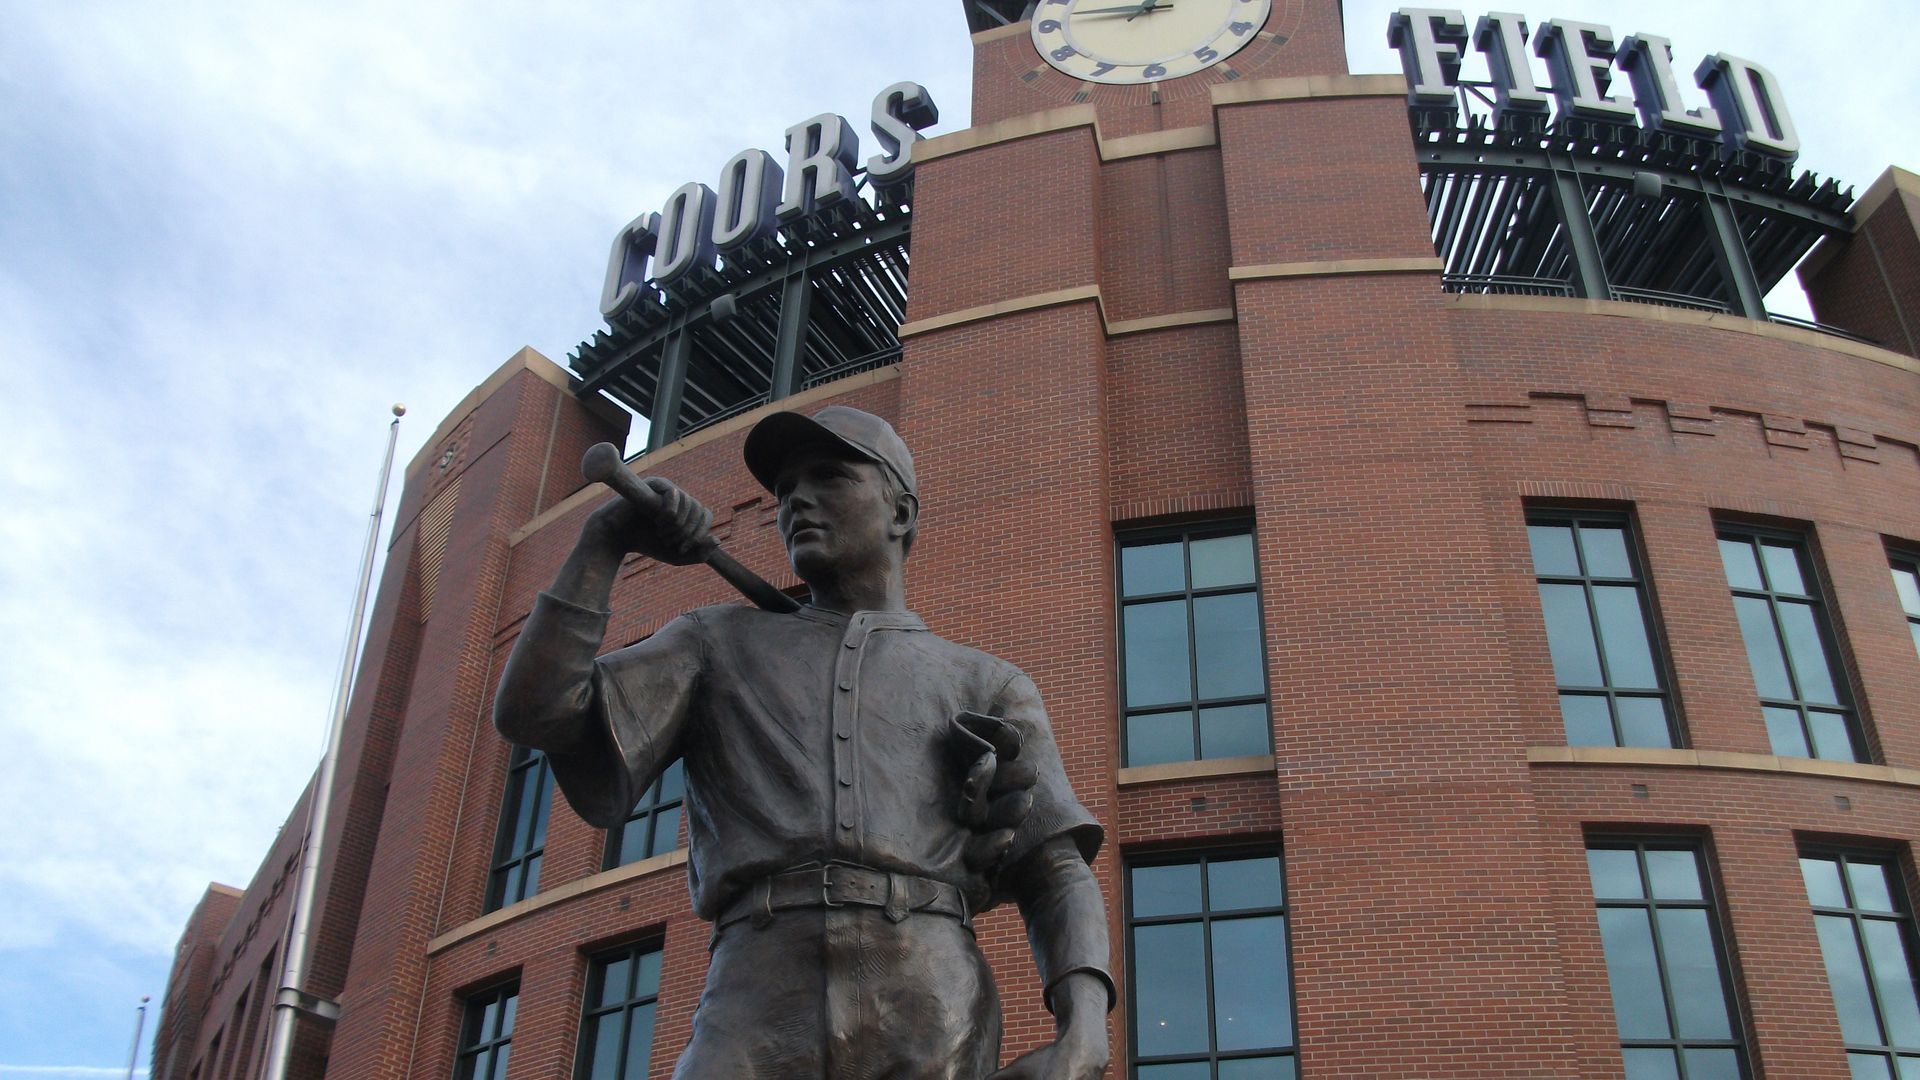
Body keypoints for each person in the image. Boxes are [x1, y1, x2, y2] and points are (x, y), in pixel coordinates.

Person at [493, 405, 1111, 1080]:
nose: (797, 502)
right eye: (785, 490)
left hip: (930, 1000)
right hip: (755, 994)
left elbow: (1055, 870)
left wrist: (1083, 1027)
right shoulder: (714, 642)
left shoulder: (984, 680)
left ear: (900, 513)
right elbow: (536, 713)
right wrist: (605, 542)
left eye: (828, 477)